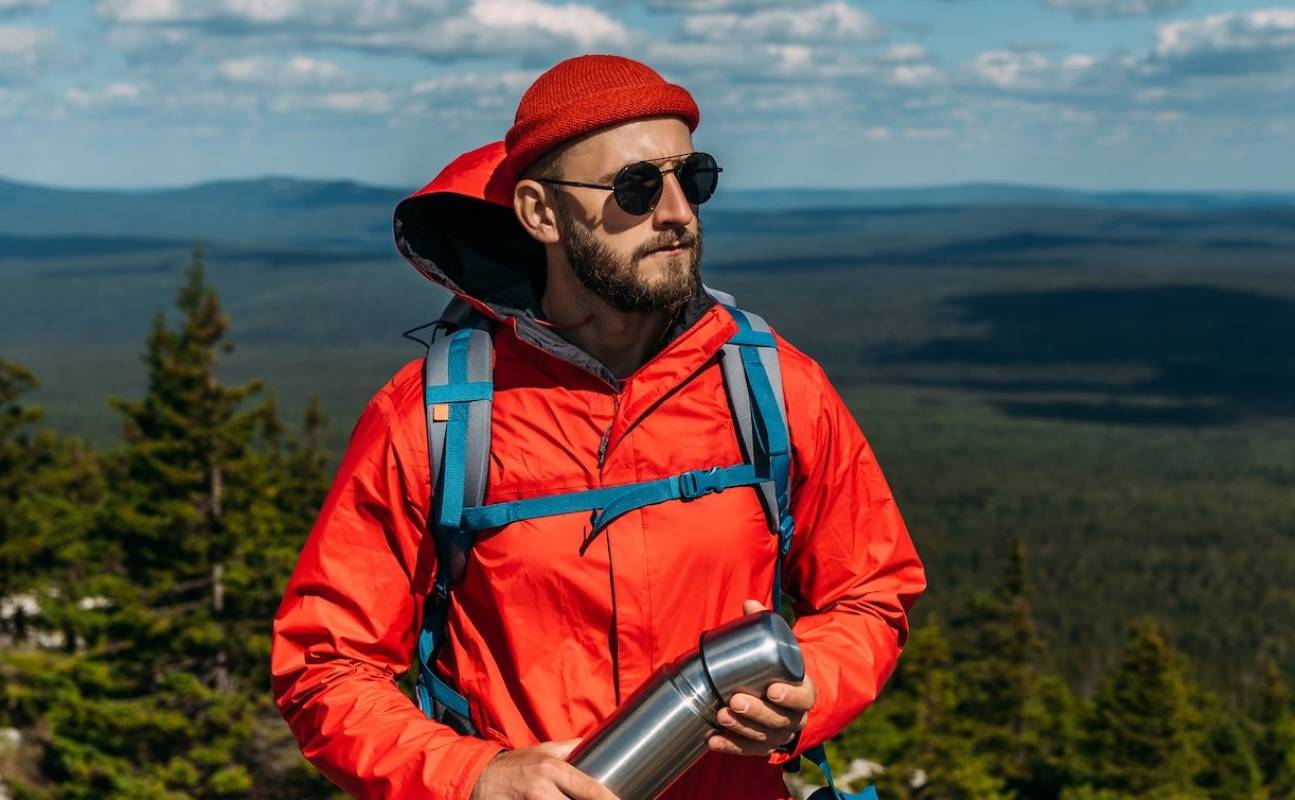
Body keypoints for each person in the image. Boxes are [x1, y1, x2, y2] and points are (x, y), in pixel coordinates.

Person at [270, 54, 927, 800]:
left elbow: (870, 593)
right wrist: (477, 776)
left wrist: (812, 688)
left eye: (693, 178)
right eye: (636, 187)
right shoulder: (437, 418)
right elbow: (326, 668)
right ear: (541, 213)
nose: (677, 212)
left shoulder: (773, 387)